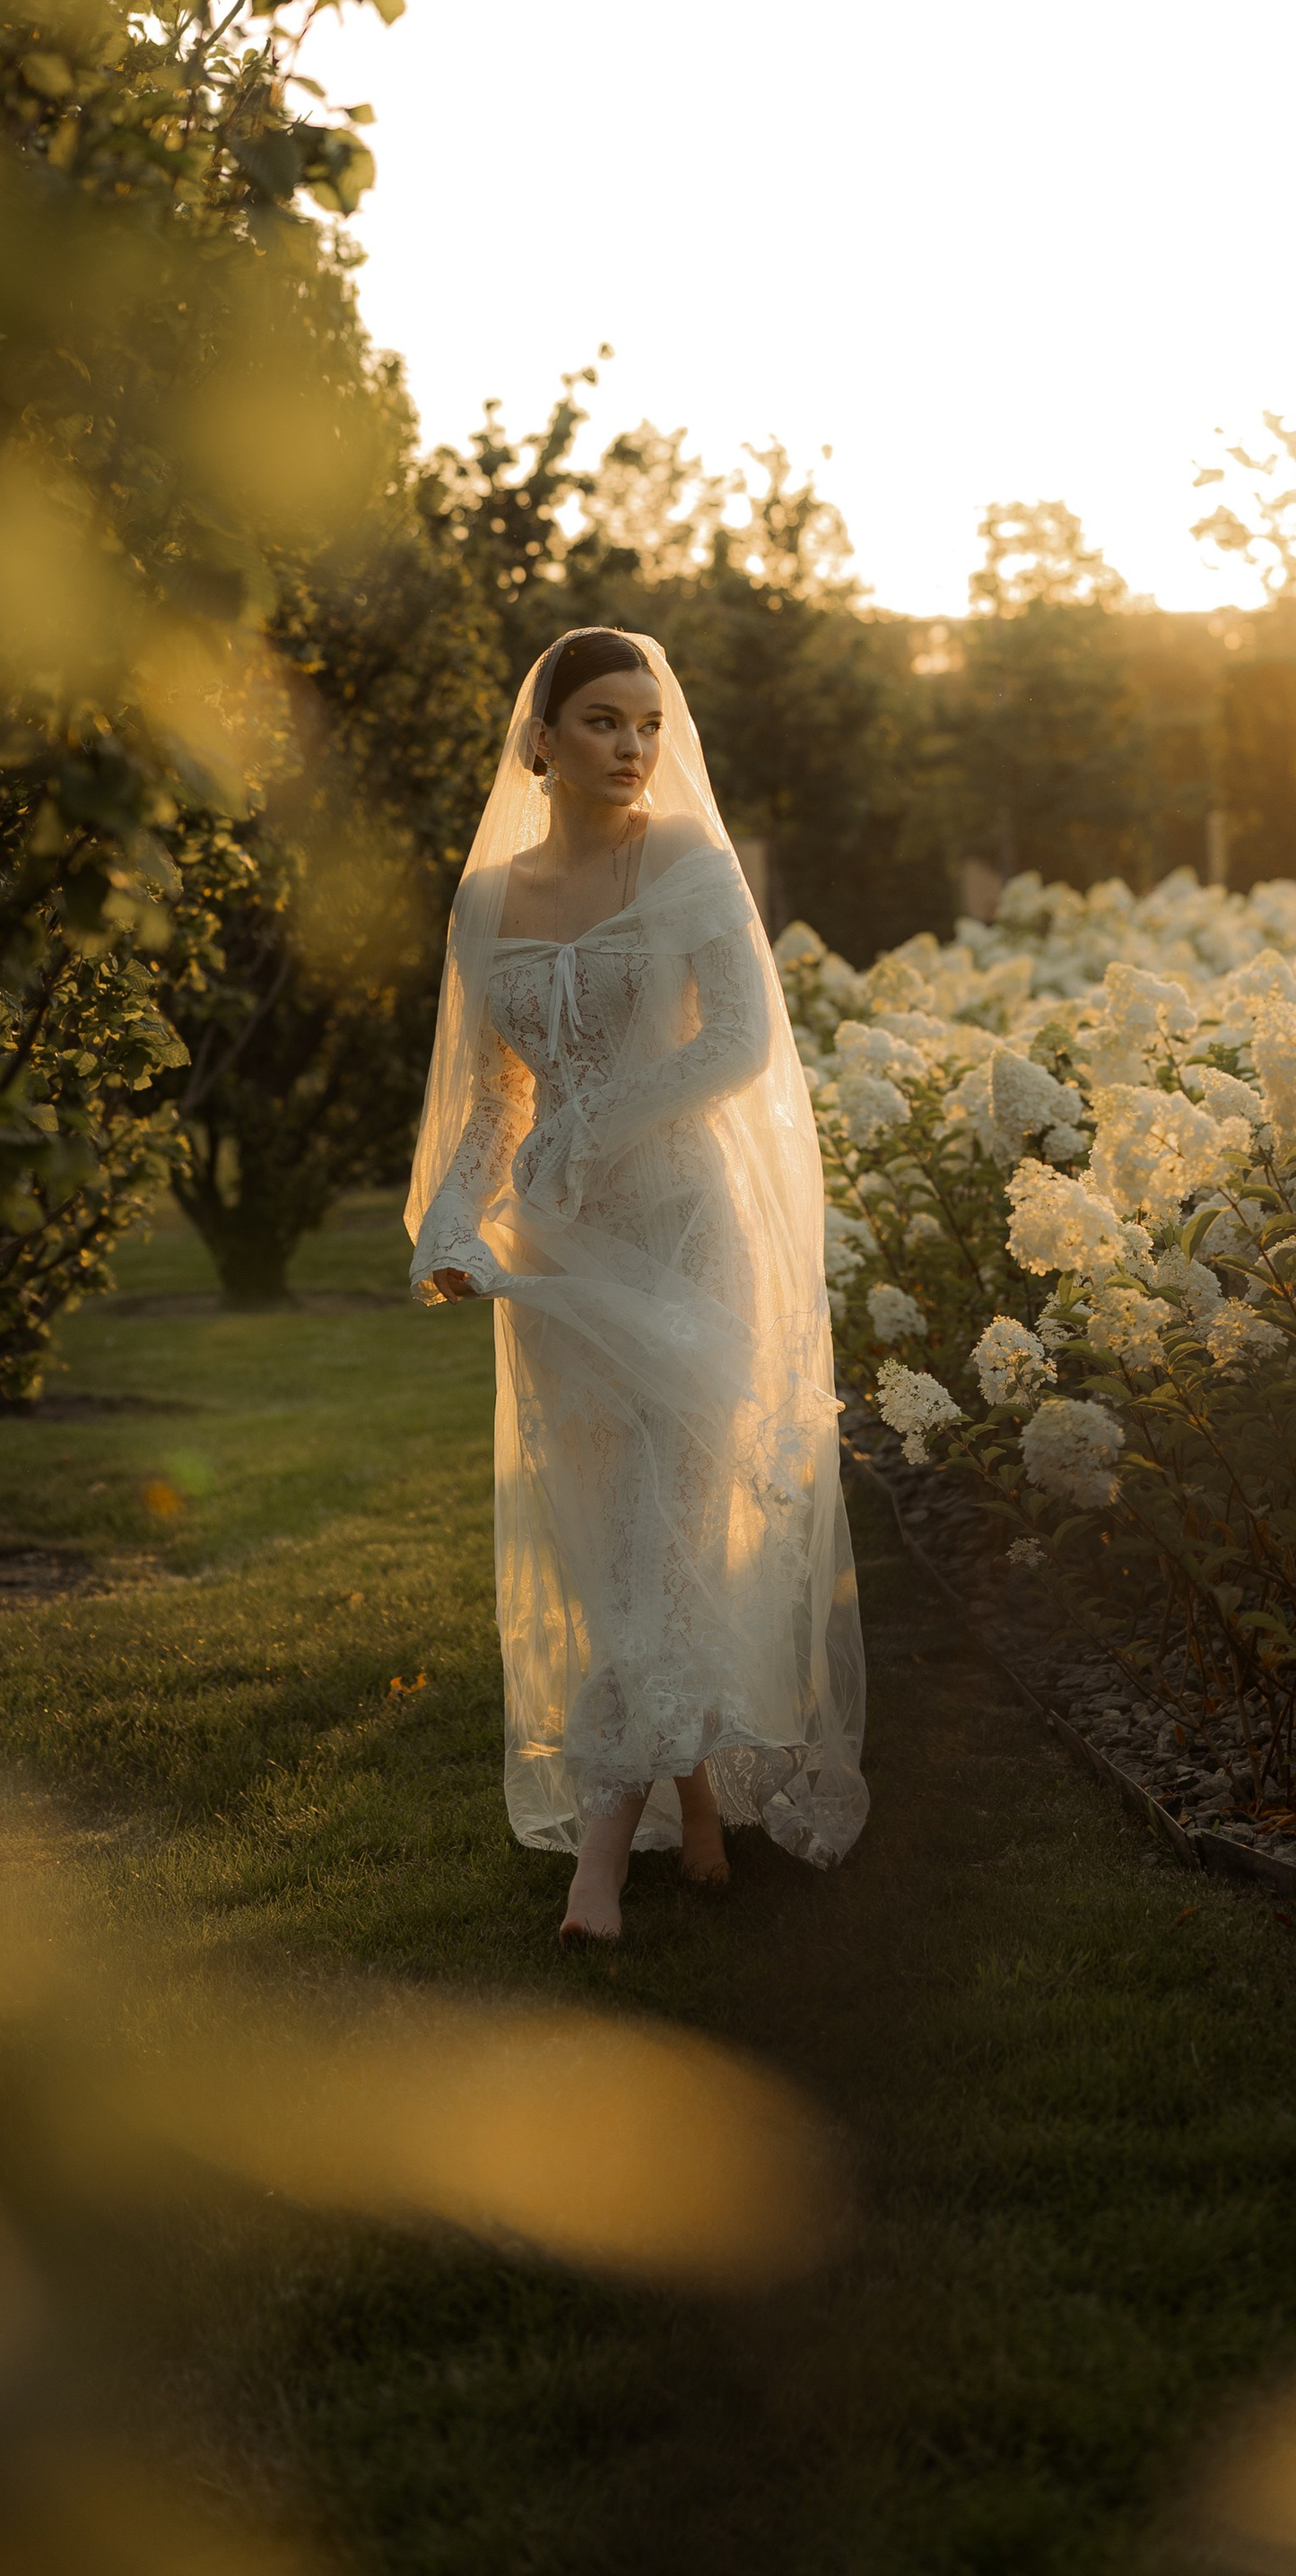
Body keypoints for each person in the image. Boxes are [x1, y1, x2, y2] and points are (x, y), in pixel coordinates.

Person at [406, 629, 868, 1943]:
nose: (632, 748)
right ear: (538, 739)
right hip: (559, 1258)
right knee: (614, 1548)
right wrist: (450, 1225)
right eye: (602, 721)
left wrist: (595, 1123)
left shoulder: (685, 859)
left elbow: (736, 1040)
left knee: (669, 1534)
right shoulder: (488, 897)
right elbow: (494, 1101)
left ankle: (596, 1870)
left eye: (649, 724)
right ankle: (699, 1803)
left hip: (682, 1235)